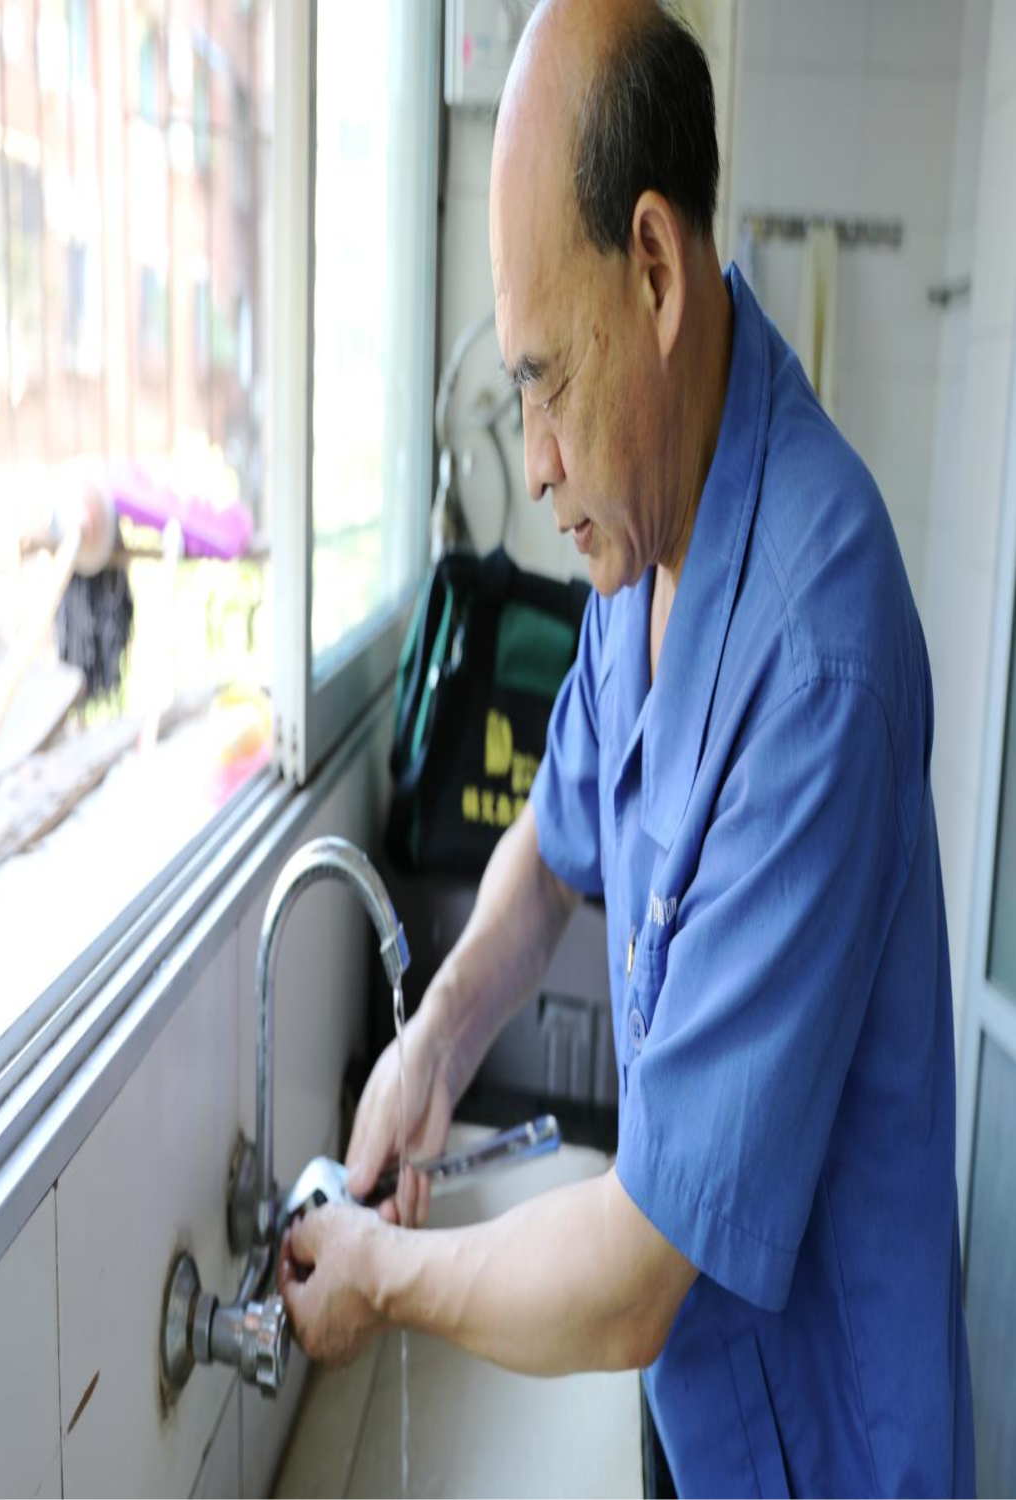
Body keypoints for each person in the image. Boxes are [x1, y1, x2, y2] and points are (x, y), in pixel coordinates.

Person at [278, 1, 976, 1493]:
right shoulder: (646, 528)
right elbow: (554, 842)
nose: (532, 462)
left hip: (821, 1450)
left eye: (545, 377)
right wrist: (433, 1042)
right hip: (701, 1404)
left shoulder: (817, 652)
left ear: (653, 269)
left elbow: (633, 1273)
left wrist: (381, 1276)